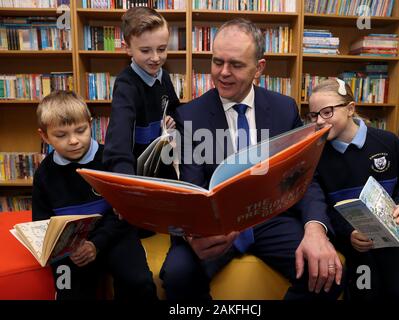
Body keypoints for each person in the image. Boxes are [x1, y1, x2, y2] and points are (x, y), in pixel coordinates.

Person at [160, 18, 344, 300]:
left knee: (326, 274)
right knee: (178, 276)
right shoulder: (191, 116)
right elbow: (190, 187)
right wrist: (192, 236)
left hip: (272, 217)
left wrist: (316, 229)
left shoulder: (284, 109)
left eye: (235, 64)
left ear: (259, 68)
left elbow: (306, 177)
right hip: (216, 225)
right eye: (217, 61)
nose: (223, 73)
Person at [32, 90, 158, 301]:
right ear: (44, 136)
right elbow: (42, 224)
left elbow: (124, 215)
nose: (73, 141)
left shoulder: (110, 160)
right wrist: (68, 248)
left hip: (114, 235)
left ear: (91, 124)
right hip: (70, 248)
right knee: (68, 289)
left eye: (80, 130)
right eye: (61, 135)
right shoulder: (44, 174)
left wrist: (96, 245)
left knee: (138, 281)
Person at [308, 78, 399, 300]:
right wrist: (347, 233)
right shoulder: (318, 156)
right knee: (364, 293)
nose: (319, 121)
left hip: (391, 242)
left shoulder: (387, 142)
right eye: (314, 115)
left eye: (327, 112)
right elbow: (321, 206)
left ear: (350, 108)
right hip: (354, 247)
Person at [103, 6, 179, 176]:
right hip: (136, 173)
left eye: (161, 49)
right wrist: (126, 183)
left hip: (163, 167)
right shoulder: (126, 85)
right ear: (127, 48)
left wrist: (171, 120)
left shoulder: (164, 77)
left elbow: (175, 109)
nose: (155, 58)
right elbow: (119, 141)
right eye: (145, 50)